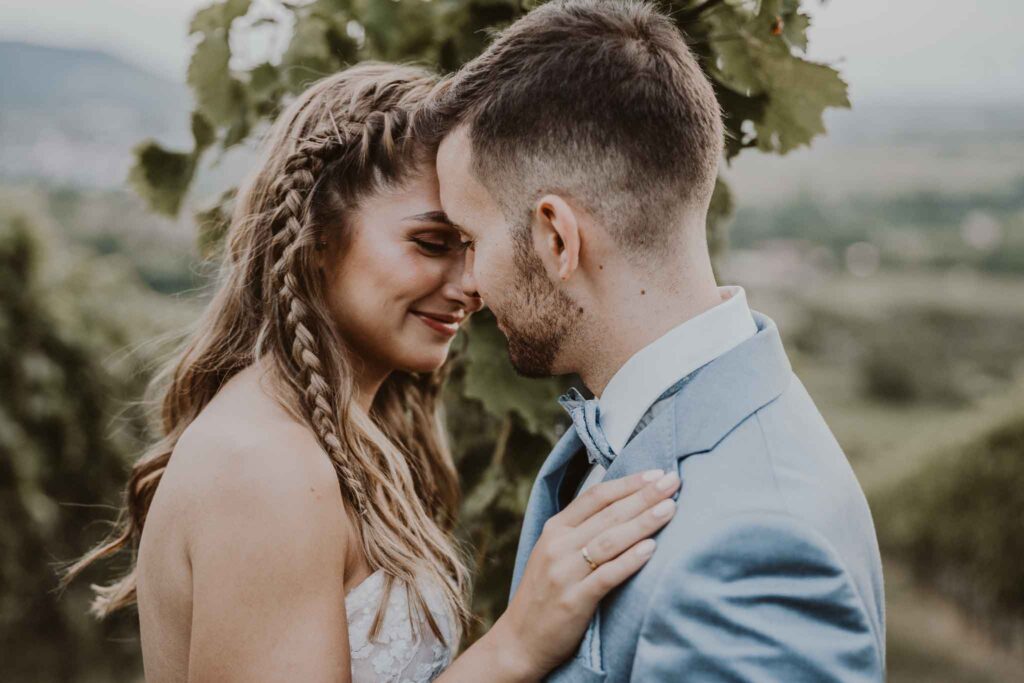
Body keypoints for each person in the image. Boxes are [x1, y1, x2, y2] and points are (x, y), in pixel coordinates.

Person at [60, 62, 681, 682]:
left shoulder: (337, 435)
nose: (472, 286)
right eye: (433, 243)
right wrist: (515, 645)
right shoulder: (264, 468)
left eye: (473, 244)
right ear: (318, 238)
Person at [418, 0, 887, 680]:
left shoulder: (758, 548)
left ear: (556, 237)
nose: (466, 281)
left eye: (470, 238)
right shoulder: (641, 424)